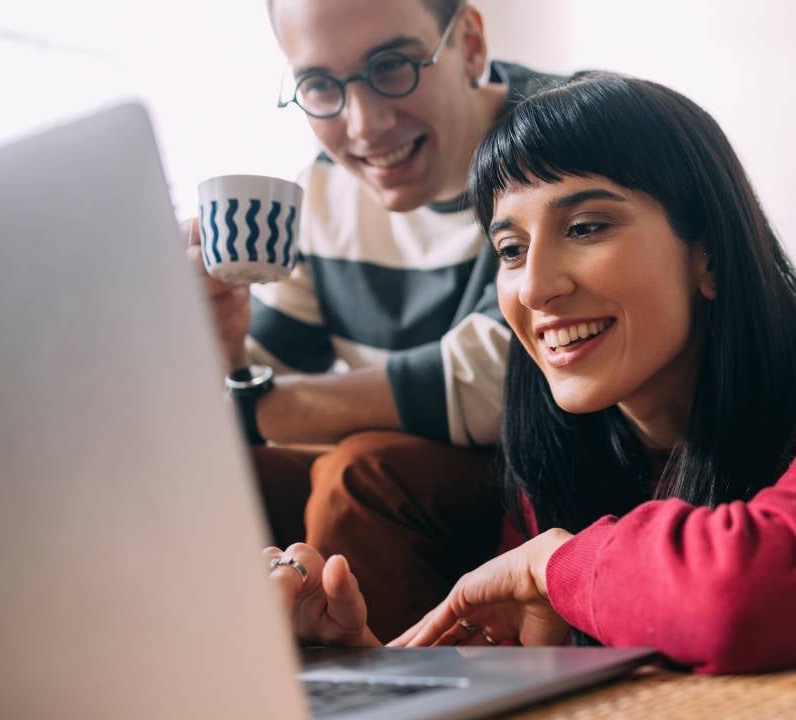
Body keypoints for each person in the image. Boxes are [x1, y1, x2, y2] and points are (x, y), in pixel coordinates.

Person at [263, 71, 796, 673]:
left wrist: (556, 565)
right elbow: (524, 670)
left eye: (585, 228)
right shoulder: (565, 455)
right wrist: (368, 667)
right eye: (510, 249)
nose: (536, 286)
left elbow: (744, 601)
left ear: (709, 253)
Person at [185, 0, 561, 639]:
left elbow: (492, 383)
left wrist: (254, 404)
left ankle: (385, 695)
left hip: (537, 473)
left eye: (392, 66)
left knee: (359, 474)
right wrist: (222, 350)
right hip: (410, 487)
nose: (364, 125)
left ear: (469, 44)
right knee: (218, 474)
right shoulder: (324, 191)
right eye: (319, 87)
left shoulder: (549, 140)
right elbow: (260, 391)